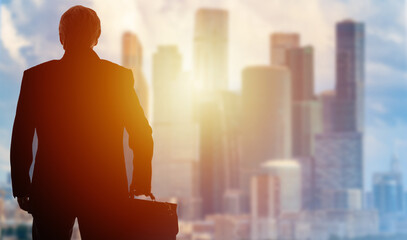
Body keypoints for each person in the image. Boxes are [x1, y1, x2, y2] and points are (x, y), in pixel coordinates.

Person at [10, 5, 153, 239]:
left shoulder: (36, 78)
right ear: (96, 38)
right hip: (105, 190)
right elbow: (142, 133)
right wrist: (140, 181)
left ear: (61, 37)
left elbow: (21, 136)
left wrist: (23, 187)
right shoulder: (118, 78)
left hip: (51, 190)